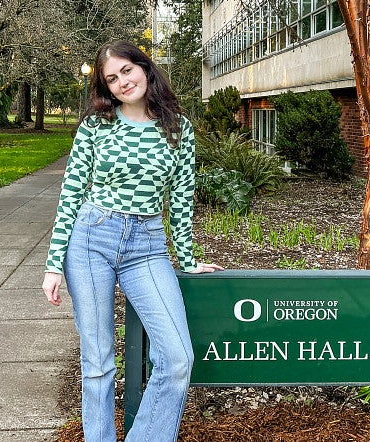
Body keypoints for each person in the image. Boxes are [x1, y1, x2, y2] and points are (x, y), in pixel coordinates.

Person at [41, 40, 223, 442]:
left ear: (144, 68)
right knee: (98, 363)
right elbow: (71, 192)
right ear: (105, 88)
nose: (123, 82)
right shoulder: (96, 126)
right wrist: (54, 263)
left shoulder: (178, 127)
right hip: (91, 240)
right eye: (112, 78)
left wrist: (188, 258)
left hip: (147, 246)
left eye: (127, 70)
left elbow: (181, 198)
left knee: (177, 358)